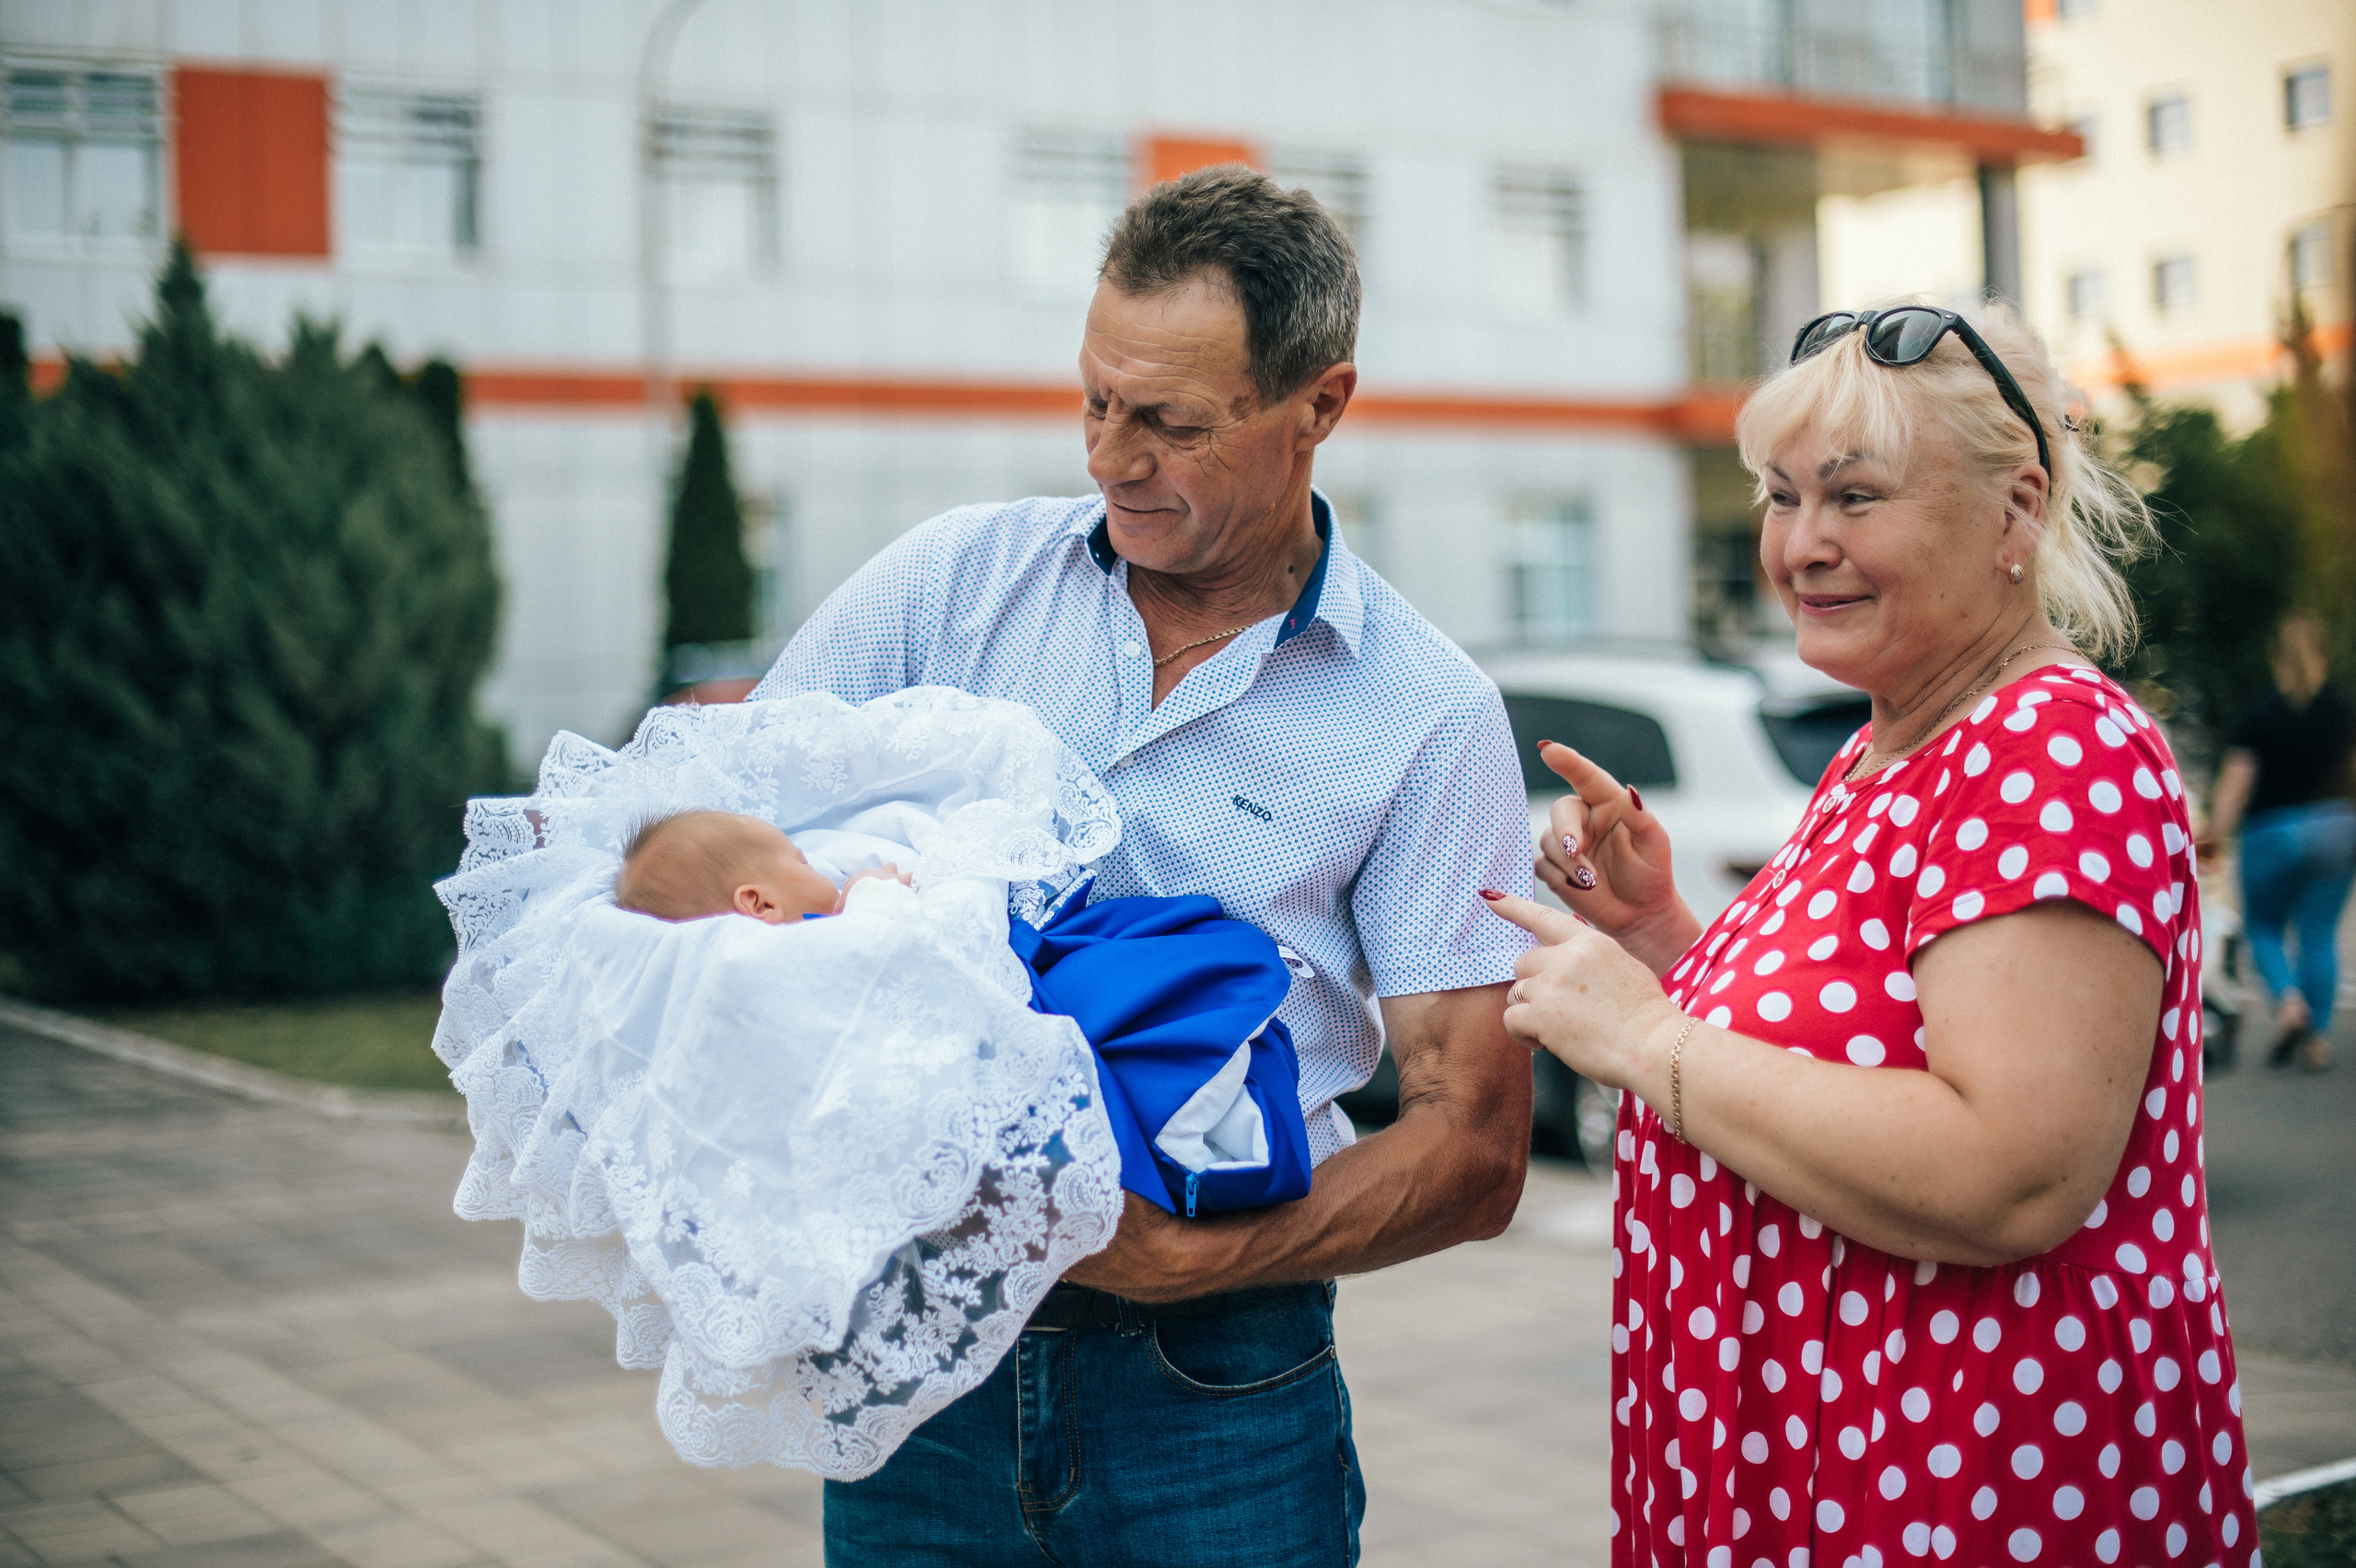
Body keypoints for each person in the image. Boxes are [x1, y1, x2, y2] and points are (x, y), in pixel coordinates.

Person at [749, 166, 1536, 1564]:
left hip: (1216, 1396)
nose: (1113, 457)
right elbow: (732, 839)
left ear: (1321, 408)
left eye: (1172, 423)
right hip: (921, 1363)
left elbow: (1473, 1146)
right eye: (1097, 401)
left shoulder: (1428, 715)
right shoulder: (946, 586)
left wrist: (1197, 1260)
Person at [1482, 304, 2252, 1567]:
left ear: (2015, 511)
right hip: (1836, 1474)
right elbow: (1863, 1048)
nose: (1801, 547)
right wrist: (1668, 937)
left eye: (1855, 497)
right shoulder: (1890, 744)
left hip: (1965, 1491)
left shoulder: (2048, 747)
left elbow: (2009, 1172)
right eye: (1782, 499)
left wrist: (1644, 1037)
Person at [2200, 611, 2353, 1071]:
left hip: (2273, 832)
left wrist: (2215, 835)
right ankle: (2318, 1040)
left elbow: (2237, 783)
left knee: (2262, 929)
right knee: (2319, 935)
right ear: (2323, 654)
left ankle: (2289, 1006)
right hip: (2338, 828)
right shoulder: (2345, 710)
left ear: (2276, 657)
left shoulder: (2259, 712)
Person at [613, 807, 911, 921]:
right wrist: (873, 888)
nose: (821, 871)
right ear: (760, 904)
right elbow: (876, 941)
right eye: (804, 863)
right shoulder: (790, 951)